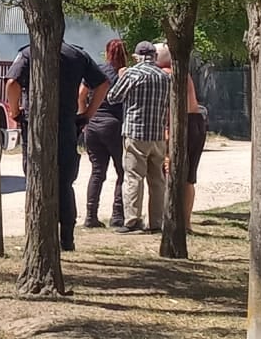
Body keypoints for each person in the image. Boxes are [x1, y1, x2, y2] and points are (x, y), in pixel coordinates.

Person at [4, 41, 109, 251]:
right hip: (66, 128)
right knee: (65, 184)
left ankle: (39, 237)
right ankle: (67, 239)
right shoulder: (78, 55)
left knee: (37, 182)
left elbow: (12, 83)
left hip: (36, 129)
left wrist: (15, 111)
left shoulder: (29, 52)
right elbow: (103, 84)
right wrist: (87, 114)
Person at [105, 41, 172, 234]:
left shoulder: (133, 74)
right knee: (157, 180)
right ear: (154, 56)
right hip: (157, 135)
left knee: (133, 177)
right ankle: (156, 222)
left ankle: (133, 221)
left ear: (138, 56)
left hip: (135, 133)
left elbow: (113, 97)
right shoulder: (164, 76)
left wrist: (121, 78)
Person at [156, 43, 206, 227]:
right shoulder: (181, 72)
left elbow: (171, 106)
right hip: (196, 121)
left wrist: (167, 132)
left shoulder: (168, 74)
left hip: (182, 123)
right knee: (188, 177)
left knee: (172, 172)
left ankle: (172, 220)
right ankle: (185, 223)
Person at [83, 39, 128, 228]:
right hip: (114, 124)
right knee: (122, 171)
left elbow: (81, 94)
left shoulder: (98, 70)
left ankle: (90, 215)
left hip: (93, 124)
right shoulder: (125, 74)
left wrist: (85, 116)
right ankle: (117, 215)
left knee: (97, 171)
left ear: (106, 52)